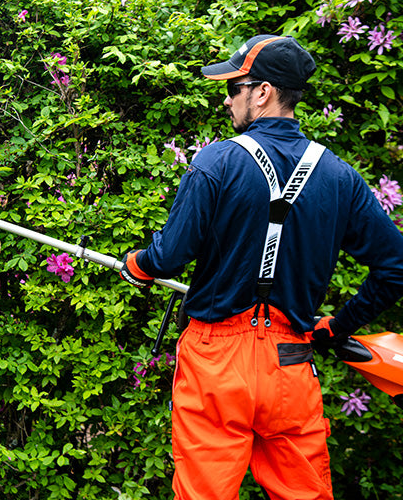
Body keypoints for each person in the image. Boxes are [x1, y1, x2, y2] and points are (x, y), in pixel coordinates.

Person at [119, 34, 403, 500]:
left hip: (215, 363)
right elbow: (396, 268)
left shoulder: (218, 160)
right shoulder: (339, 176)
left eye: (234, 88)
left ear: (263, 91)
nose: (227, 100)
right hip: (290, 365)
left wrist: (139, 265)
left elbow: (169, 255)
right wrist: (336, 328)